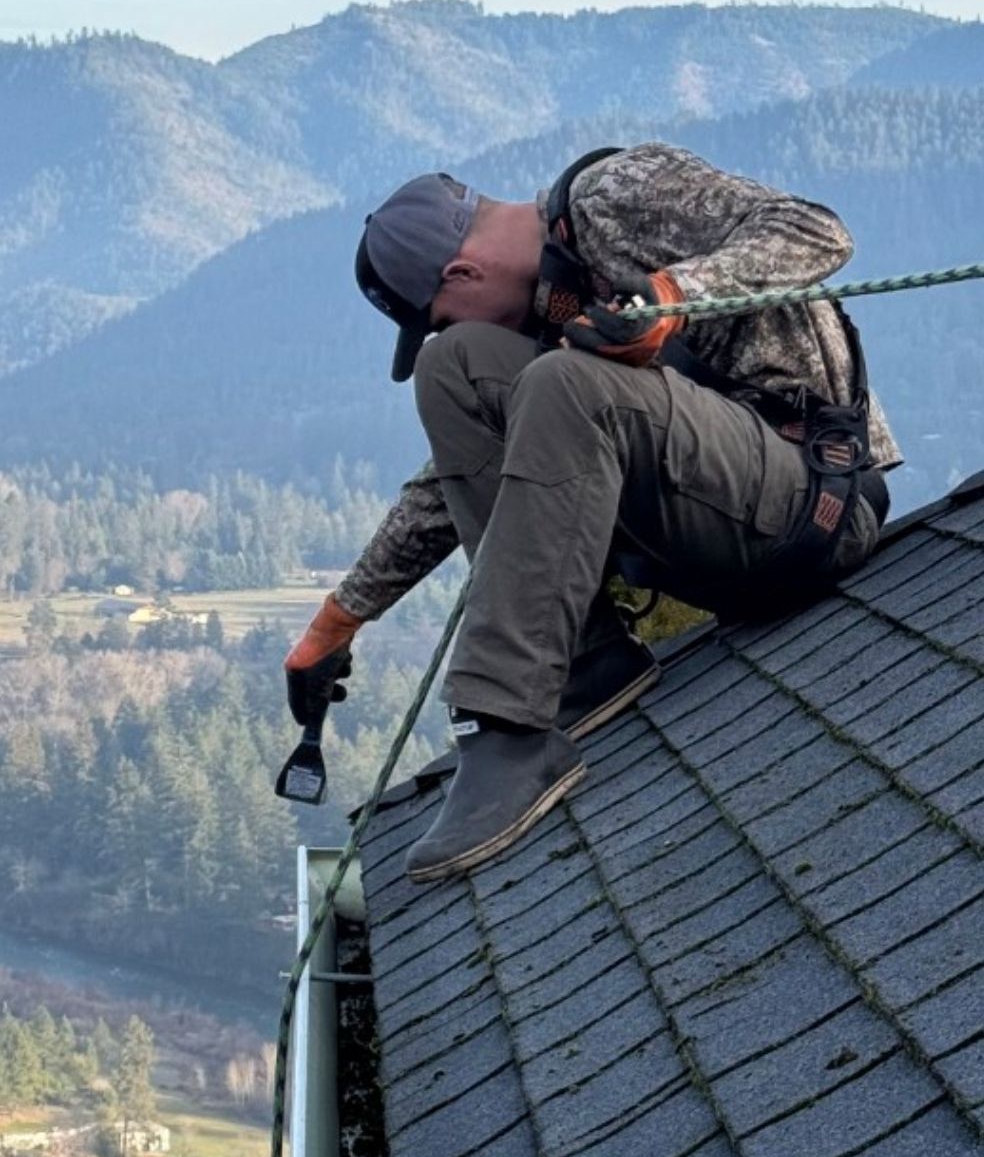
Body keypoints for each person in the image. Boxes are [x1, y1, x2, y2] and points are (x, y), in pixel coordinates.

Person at [285, 145, 899, 885]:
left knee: (563, 381)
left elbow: (817, 230)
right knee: (457, 373)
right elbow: (456, 480)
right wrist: (340, 617)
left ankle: (508, 725)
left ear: (463, 274)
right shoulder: (548, 304)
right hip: (720, 525)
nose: (446, 331)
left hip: (815, 502)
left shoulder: (612, 196)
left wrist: (673, 295)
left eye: (440, 318)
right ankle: (586, 667)